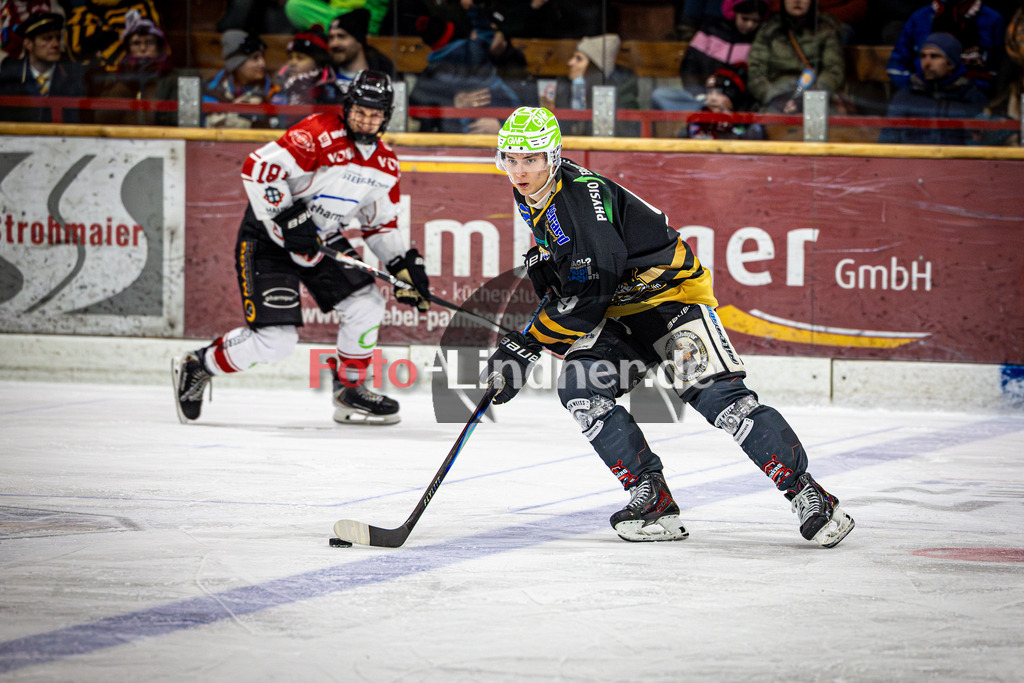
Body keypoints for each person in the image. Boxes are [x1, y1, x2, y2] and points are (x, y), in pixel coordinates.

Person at [482, 106, 855, 547]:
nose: (520, 170)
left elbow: (594, 286)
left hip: (669, 302)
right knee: (581, 390)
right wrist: (542, 298)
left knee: (722, 401)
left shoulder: (579, 196)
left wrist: (526, 344)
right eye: (511, 158)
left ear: (554, 157)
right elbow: (580, 283)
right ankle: (653, 497)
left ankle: (810, 494)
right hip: (622, 315)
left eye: (532, 159)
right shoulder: (532, 194)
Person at [174, 70, 431, 427]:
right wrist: (290, 218)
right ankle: (199, 364)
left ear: (386, 116)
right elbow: (258, 168)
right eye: (360, 110)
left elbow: (380, 225)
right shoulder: (318, 133)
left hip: (321, 241)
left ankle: (349, 391)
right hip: (268, 237)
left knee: (366, 303)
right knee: (276, 341)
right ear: (347, 107)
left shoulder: (385, 164)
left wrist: (405, 265)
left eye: (375, 113)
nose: (366, 118)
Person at [651, 0, 769, 113]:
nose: (749, 25)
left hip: (735, 107)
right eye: (745, 18)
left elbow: (756, 83)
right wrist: (702, 96)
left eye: (755, 21)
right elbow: (689, 67)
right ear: (733, 13)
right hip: (703, 100)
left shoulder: (760, 43)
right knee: (660, 95)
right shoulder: (709, 31)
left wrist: (731, 100)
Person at [878, 32, 988, 145]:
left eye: (934, 56)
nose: (927, 63)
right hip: (914, 160)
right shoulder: (905, 97)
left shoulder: (970, 97)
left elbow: (978, 144)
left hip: (955, 161)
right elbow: (887, 142)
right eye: (923, 56)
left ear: (951, 63)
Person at [885, 0, 1006, 97]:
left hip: (971, 102)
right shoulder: (919, 18)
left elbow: (1000, 70)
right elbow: (897, 63)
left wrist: (973, 86)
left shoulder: (992, 20)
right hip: (921, 98)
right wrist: (911, 83)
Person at [748, 0, 845, 113]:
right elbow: (755, 72)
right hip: (777, 95)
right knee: (770, 121)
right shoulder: (769, 30)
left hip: (816, 94)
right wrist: (774, 97)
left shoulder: (826, 30)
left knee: (820, 122)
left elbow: (833, 70)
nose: (797, 1)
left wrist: (812, 97)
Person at [90, 9, 176, 126]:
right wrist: (127, 84)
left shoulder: (171, 79)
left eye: (149, 42)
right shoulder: (115, 76)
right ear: (128, 48)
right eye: (136, 43)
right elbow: (101, 117)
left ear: (159, 47)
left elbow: (174, 120)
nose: (143, 48)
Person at [0, 11, 86, 123]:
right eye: (47, 39)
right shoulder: (11, 76)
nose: (55, 44)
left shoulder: (73, 76)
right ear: (28, 44)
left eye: (57, 38)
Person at [555, 33, 640, 136]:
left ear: (594, 67)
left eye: (579, 59)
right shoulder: (567, 89)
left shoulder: (620, 100)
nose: (571, 62)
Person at [270, 25, 341, 128]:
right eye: (290, 58)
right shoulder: (279, 88)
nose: (292, 63)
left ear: (317, 62)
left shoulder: (327, 91)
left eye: (300, 58)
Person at [203, 29, 276, 129]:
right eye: (255, 58)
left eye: (262, 56)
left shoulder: (271, 92)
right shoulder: (212, 91)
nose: (262, 63)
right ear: (237, 64)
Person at [64, 0, 163, 70]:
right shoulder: (80, 18)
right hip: (94, 88)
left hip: (140, 80)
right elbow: (78, 54)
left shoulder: (145, 8)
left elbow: (156, 54)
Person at [685, 65, 766, 138]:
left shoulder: (749, 121)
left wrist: (729, 125)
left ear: (734, 96)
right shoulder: (699, 119)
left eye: (720, 93)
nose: (713, 98)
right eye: (709, 92)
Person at [327, 8, 394, 89]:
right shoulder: (326, 78)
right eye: (331, 38)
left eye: (341, 36)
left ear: (359, 41)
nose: (334, 44)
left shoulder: (384, 76)